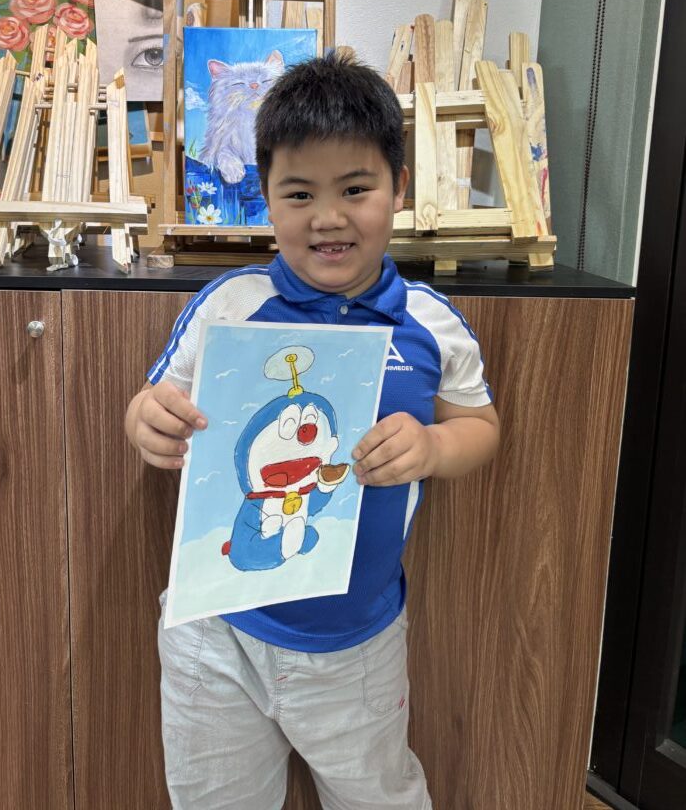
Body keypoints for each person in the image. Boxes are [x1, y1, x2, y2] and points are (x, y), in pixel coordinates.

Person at [125, 53, 500, 810]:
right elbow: (153, 400)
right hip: (216, 631)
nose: (328, 217)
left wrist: (432, 447)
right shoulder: (231, 303)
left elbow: (480, 426)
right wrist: (147, 423)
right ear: (265, 197)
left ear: (398, 187)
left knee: (378, 795)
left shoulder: (428, 322)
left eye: (355, 189)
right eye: (299, 194)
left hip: (357, 639)